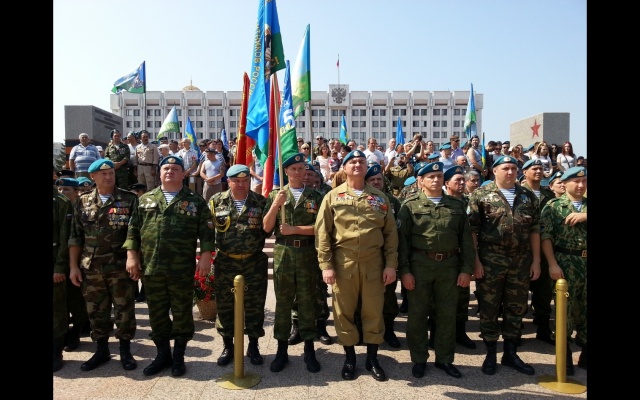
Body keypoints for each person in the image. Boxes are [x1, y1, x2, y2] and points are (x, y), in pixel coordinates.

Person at [123, 155, 215, 377]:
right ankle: (162, 354)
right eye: (166, 168)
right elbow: (133, 230)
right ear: (159, 173)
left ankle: (179, 357)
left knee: (182, 313)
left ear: (183, 174)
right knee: (157, 313)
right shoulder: (146, 199)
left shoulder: (195, 201)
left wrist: (205, 257)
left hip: (180, 269)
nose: (170, 172)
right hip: (152, 267)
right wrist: (131, 256)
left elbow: (206, 232)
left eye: (175, 169)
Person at [314, 149, 398, 382]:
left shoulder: (380, 198)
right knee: (344, 312)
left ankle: (372, 358)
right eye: (352, 162)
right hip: (344, 262)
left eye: (362, 161)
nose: (357, 164)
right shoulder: (332, 197)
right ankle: (350, 358)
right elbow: (323, 233)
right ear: (344, 168)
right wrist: (326, 265)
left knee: (374, 311)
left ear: (366, 167)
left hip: (374, 262)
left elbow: (391, 234)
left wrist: (391, 265)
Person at [397, 162, 475, 379]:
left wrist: (466, 269)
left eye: (439, 176)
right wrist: (404, 271)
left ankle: (444, 359)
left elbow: (466, 240)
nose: (435, 180)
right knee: (417, 315)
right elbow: (402, 242)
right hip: (420, 266)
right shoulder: (409, 206)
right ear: (420, 181)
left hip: (449, 267)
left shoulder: (456, 205)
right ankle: (419, 359)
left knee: (447, 315)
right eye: (430, 176)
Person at [467, 155, 541, 376]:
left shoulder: (527, 196)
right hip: (490, 261)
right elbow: (472, 231)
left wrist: (536, 260)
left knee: (516, 308)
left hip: (520, 262)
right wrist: (475, 261)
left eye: (513, 168)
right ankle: (490, 353)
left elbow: (535, 230)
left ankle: (510, 353)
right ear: (494, 171)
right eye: (505, 168)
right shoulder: (480, 194)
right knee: (489, 308)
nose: (510, 172)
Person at [68, 159, 139, 372]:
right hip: (91, 267)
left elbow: (135, 233)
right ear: (93, 176)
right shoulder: (82, 201)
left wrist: (134, 259)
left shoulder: (128, 199)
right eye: (103, 173)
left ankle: (125, 350)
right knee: (96, 310)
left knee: (124, 309)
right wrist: (73, 267)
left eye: (111, 173)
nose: (108, 177)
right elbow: (75, 236)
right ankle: (102, 350)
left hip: (120, 266)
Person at [263, 153, 324, 373]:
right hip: (284, 253)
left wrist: (294, 229)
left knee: (307, 301)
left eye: (301, 168)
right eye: (293, 169)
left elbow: (321, 228)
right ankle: (281, 350)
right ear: (286, 171)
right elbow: (266, 227)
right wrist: (275, 205)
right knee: (283, 302)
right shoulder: (276, 195)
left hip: (307, 253)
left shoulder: (315, 196)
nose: (298, 172)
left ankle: (309, 349)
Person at [209, 164, 269, 367]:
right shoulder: (216, 201)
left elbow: (267, 230)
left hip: (253, 262)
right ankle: (228, 345)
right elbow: (208, 230)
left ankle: (253, 345)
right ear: (228, 181)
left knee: (254, 306)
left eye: (245, 181)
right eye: (236, 181)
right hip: (226, 262)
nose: (241, 184)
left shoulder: (260, 202)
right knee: (225, 306)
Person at [540, 166, 587, 375]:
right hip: (566, 261)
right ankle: (564, 353)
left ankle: (585, 351)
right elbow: (546, 237)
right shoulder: (554, 206)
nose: (581, 185)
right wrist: (552, 263)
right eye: (576, 181)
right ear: (565, 184)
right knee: (564, 310)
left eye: (584, 181)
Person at [365, 163, 402, 349]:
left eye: (379, 179)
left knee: (388, 295)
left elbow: (398, 231)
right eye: (372, 180)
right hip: (367, 256)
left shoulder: (392, 201)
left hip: (387, 255)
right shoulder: (362, 200)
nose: (376, 182)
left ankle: (389, 329)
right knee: (364, 296)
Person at [520, 158, 556, 346]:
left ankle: (543, 327)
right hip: (522, 248)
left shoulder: (548, 195)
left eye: (540, 168)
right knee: (518, 291)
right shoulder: (518, 193)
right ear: (524, 172)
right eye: (534, 168)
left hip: (544, 248)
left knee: (543, 291)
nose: (538, 171)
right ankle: (515, 328)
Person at [443, 165, 477, 350]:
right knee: (441, 298)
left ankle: (460, 332)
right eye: (458, 180)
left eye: (463, 180)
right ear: (447, 183)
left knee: (463, 296)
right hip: (445, 257)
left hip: (463, 255)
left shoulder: (470, 202)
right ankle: (440, 333)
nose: (462, 183)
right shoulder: (441, 201)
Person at [55, 178, 90, 352]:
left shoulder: (81, 208)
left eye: (66, 189)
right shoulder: (60, 206)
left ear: (76, 192)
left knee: (75, 300)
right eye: (60, 189)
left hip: (76, 261)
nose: (62, 192)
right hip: (61, 260)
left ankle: (76, 331)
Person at [53, 183, 73, 372]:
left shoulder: (61, 202)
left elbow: (65, 237)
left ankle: (56, 350)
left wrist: (60, 267)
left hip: (54, 266)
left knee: (56, 309)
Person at [127, 183, 148, 303]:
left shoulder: (147, 204)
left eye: (136, 193)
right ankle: (135, 291)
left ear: (142, 192)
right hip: (133, 240)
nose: (134, 195)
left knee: (143, 267)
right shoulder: (130, 204)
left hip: (144, 242)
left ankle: (144, 291)